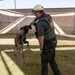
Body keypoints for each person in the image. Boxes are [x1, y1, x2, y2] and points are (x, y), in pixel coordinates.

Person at [30, 5, 61, 75]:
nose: (34, 15)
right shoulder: (48, 16)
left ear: (39, 12)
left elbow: (41, 37)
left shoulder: (40, 24)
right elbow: (37, 18)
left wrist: (41, 49)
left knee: (44, 62)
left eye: (35, 13)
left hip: (47, 44)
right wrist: (34, 21)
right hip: (53, 41)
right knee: (52, 60)